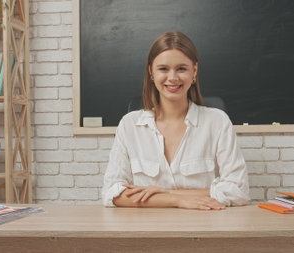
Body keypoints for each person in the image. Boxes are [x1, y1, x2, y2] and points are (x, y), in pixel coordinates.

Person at [102, 31, 249, 210]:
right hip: (146, 229)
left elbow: (238, 190)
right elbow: (113, 193)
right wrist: (177, 201)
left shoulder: (217, 122)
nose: (172, 78)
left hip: (205, 227)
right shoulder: (129, 125)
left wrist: (164, 194)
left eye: (181, 69)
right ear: (151, 72)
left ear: (194, 71)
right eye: (163, 69)